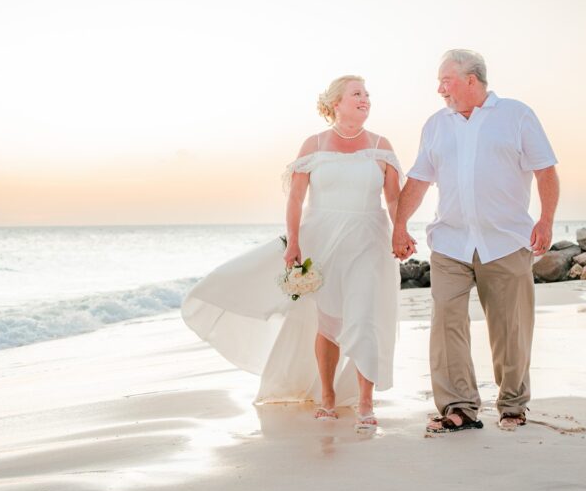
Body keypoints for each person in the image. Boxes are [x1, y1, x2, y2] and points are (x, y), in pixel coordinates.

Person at [182, 76, 402, 430]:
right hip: (323, 240)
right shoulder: (313, 144)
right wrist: (295, 242)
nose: (365, 99)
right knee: (328, 322)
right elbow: (296, 199)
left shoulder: (381, 145)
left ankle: (365, 401)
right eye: (356, 94)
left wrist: (401, 230)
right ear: (336, 103)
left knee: (363, 317)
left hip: (368, 239)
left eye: (367, 94)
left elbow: (392, 198)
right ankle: (327, 396)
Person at [393, 50, 559, 433]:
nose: (439, 89)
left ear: (472, 80)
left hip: (505, 241)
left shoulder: (516, 115)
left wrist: (546, 220)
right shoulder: (436, 125)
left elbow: (545, 170)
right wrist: (400, 226)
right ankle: (459, 407)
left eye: (445, 80)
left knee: (510, 327)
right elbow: (418, 180)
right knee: (446, 322)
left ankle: (513, 405)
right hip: (450, 242)